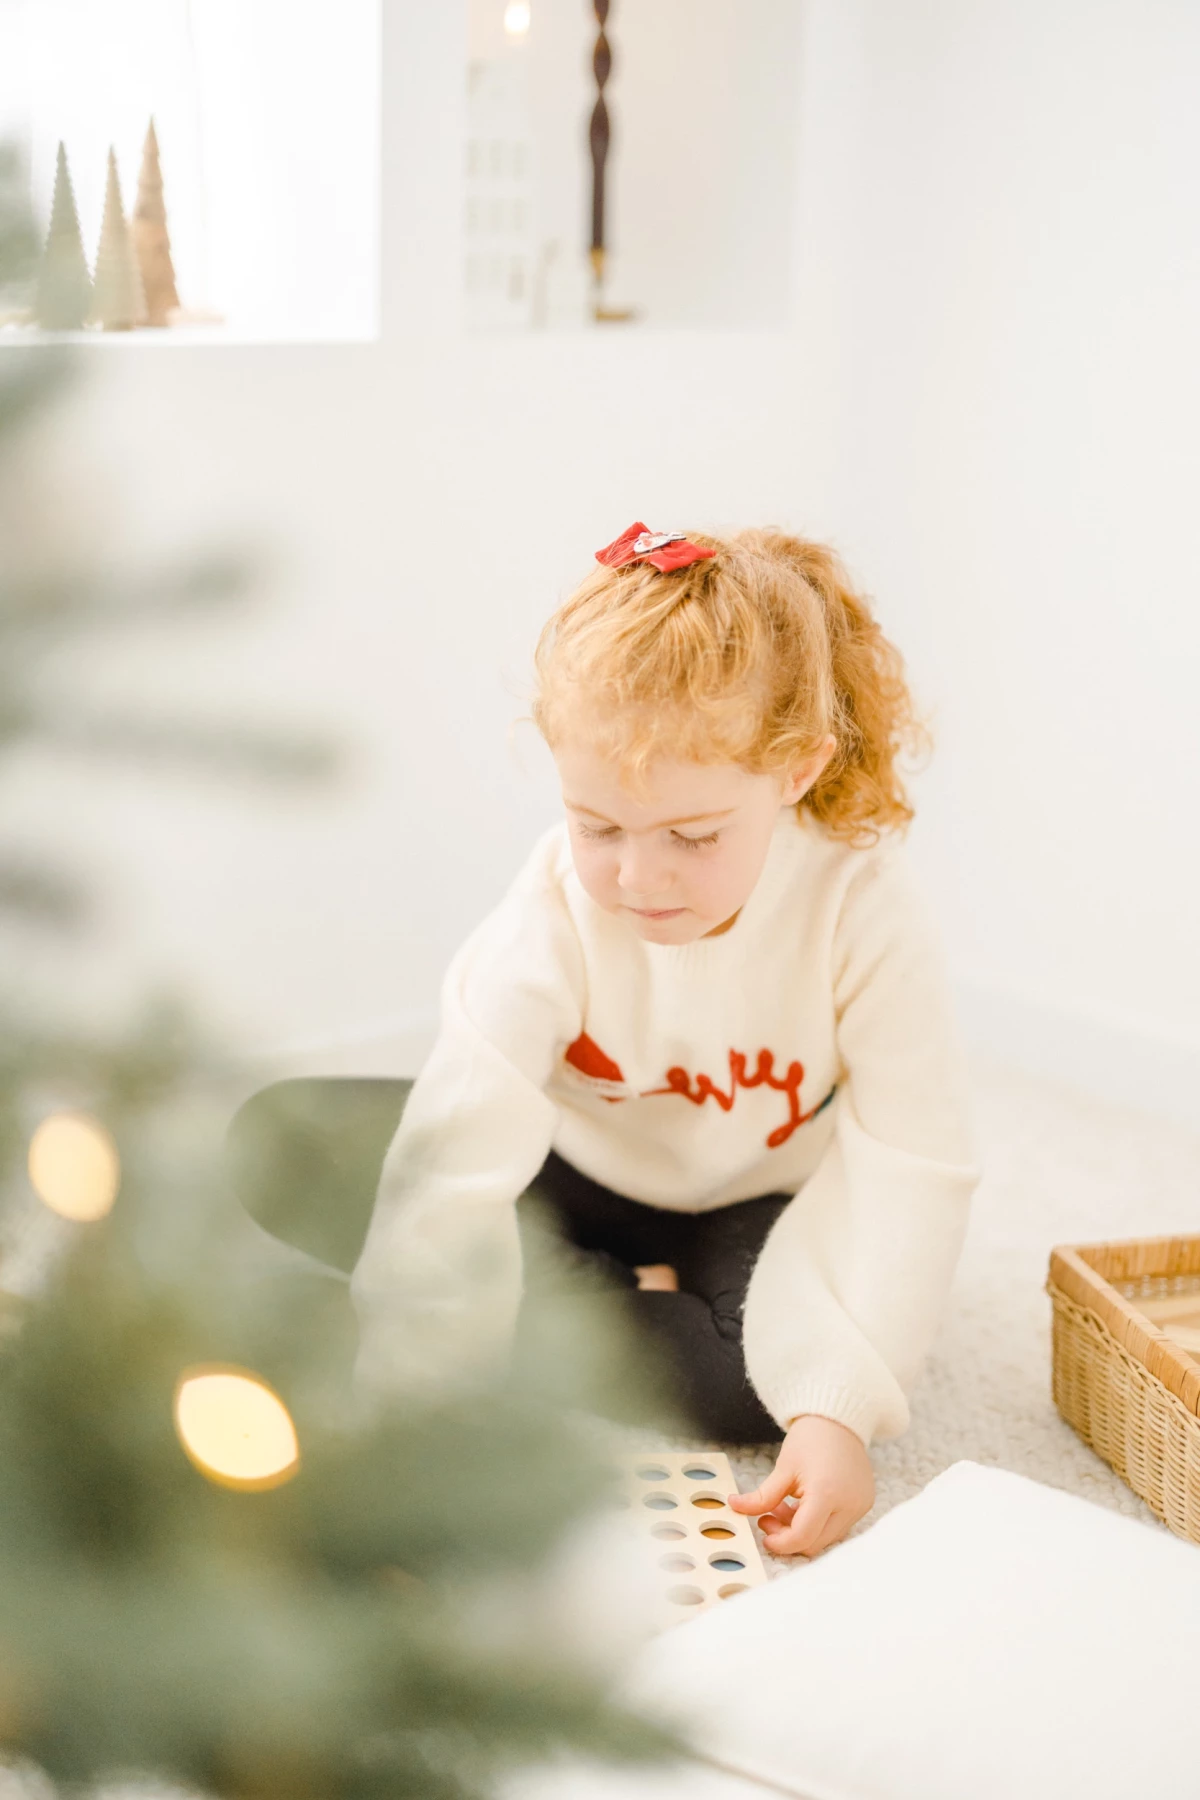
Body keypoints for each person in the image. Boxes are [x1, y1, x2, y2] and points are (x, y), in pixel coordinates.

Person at [351, 522, 979, 1558]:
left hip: (753, 1202)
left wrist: (840, 1413)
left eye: (692, 836)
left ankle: (556, 1293)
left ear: (797, 769)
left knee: (766, 1389)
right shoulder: (553, 901)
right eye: (597, 826)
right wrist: (409, 1394)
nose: (639, 879)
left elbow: (915, 1163)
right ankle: (588, 1283)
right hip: (581, 1168)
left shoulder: (861, 902)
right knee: (284, 1142)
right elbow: (462, 1132)